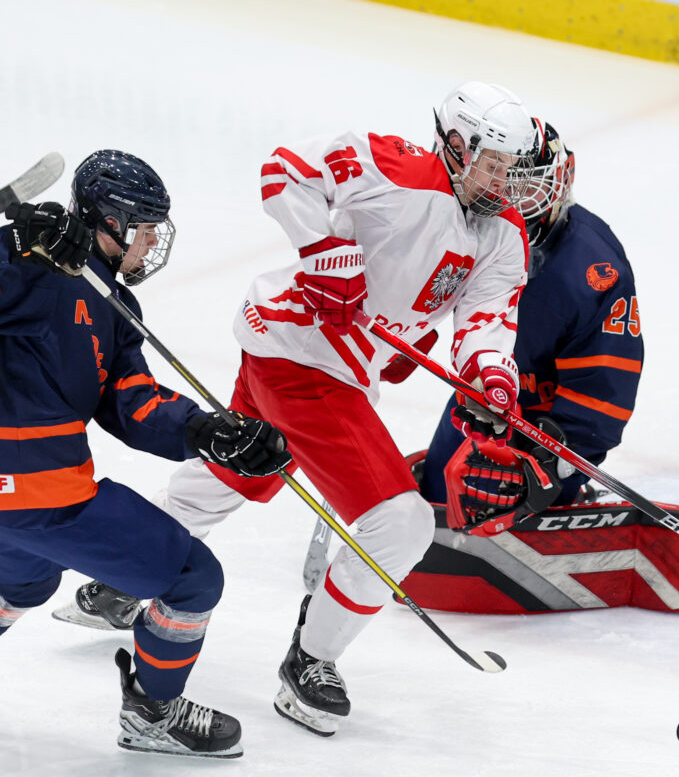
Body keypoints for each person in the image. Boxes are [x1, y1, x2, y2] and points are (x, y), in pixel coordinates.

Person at [55, 82, 539, 736]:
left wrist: (491, 378)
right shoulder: (390, 166)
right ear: (456, 144)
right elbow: (285, 170)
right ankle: (310, 661)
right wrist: (322, 249)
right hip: (303, 359)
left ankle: (125, 577)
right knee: (401, 525)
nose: (503, 180)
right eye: (494, 162)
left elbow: (487, 318)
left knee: (241, 468)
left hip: (318, 361)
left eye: (512, 167)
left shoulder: (503, 235)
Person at [0, 150, 291, 759]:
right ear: (110, 222)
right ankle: (153, 715)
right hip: (35, 478)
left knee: (24, 581)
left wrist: (207, 433)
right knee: (194, 578)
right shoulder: (39, 266)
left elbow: (131, 401)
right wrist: (13, 240)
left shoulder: (113, 304)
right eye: (144, 228)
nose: (151, 243)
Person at [396, 120, 679, 612]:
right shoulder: (464, 228)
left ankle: (572, 496)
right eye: (504, 179)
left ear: (560, 182)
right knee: (442, 496)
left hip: (549, 421)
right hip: (482, 400)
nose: (513, 197)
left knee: (497, 500)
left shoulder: (592, 268)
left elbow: (606, 386)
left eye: (527, 185)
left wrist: (551, 463)